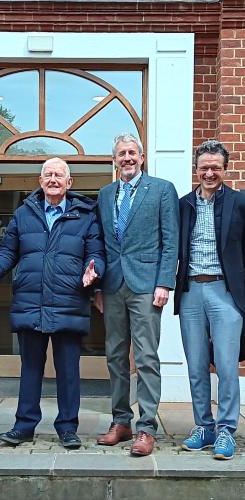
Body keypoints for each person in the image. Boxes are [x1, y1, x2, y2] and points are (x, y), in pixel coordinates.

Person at [0, 157, 104, 448]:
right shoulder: (23, 214)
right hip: (31, 301)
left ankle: (68, 428)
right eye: (48, 175)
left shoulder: (86, 214)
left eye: (59, 175)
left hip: (69, 300)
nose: (53, 179)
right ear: (40, 181)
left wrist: (94, 269)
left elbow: (96, 251)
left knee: (68, 371)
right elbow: (7, 253)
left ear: (69, 183)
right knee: (30, 369)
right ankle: (23, 426)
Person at [95, 133, 179, 456]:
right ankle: (121, 422)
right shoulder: (105, 194)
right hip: (113, 286)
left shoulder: (161, 190)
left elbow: (170, 240)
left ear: (141, 157)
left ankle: (146, 428)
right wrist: (99, 287)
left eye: (132, 153)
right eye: (121, 154)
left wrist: (164, 282)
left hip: (147, 285)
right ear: (114, 160)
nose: (127, 158)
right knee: (115, 356)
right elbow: (101, 242)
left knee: (145, 357)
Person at [175, 140, 245, 460]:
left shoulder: (239, 203)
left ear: (225, 168)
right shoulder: (183, 204)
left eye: (216, 167)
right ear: (196, 169)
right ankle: (204, 426)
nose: (209, 172)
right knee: (196, 365)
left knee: (228, 365)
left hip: (225, 291)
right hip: (190, 291)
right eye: (204, 167)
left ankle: (226, 430)